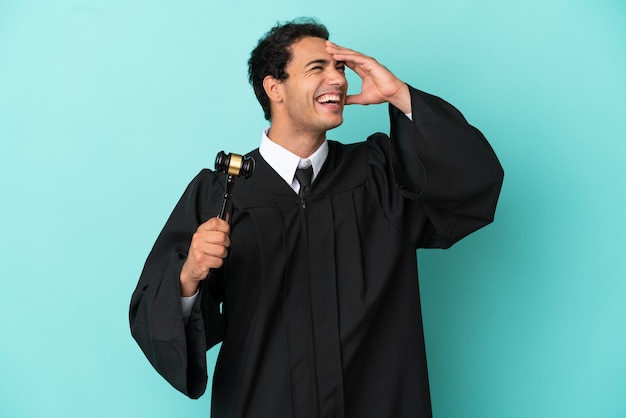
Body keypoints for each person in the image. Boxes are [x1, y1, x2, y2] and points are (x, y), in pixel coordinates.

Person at [130, 17, 504, 418]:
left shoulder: (380, 174)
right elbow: (154, 317)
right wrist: (189, 276)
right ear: (274, 87)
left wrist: (402, 96)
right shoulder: (223, 192)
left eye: (340, 68)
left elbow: (473, 180)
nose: (339, 80)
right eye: (318, 68)